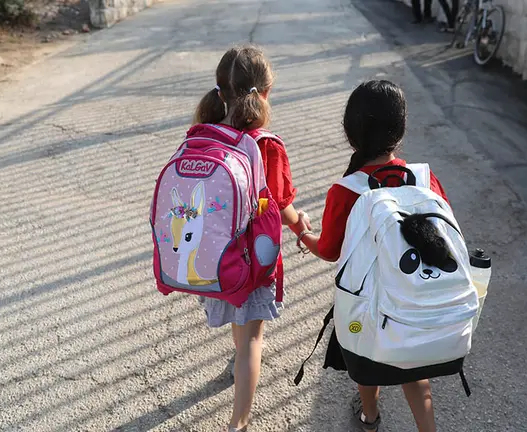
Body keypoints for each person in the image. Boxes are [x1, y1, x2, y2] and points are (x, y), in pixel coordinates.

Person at [298, 80, 450, 432]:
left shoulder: (346, 190)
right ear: (399, 131)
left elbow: (329, 250)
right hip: (415, 300)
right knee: (417, 372)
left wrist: (303, 233)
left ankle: (370, 417)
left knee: (366, 361)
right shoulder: (426, 179)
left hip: (368, 305)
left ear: (351, 133)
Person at [193, 45, 309, 432]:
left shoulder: (207, 134)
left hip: (215, 258)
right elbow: (281, 204)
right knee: (252, 343)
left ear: (220, 92)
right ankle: (238, 424)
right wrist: (301, 225)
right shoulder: (265, 145)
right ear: (265, 92)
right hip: (252, 262)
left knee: (239, 331)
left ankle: (237, 358)